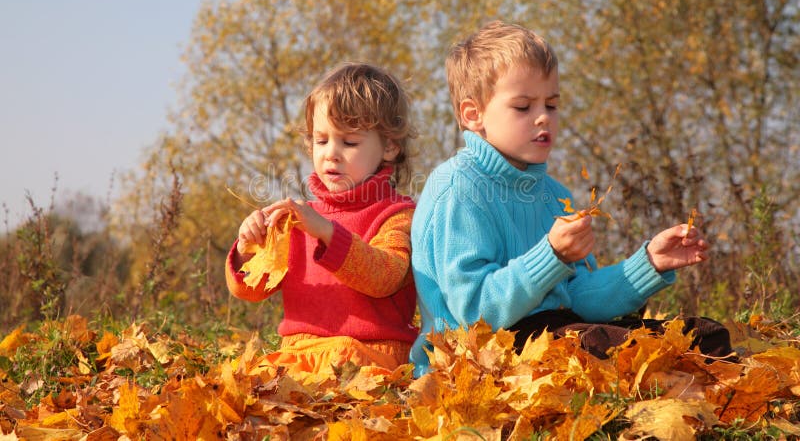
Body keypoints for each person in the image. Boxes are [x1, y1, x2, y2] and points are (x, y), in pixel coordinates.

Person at [409, 21, 732, 376]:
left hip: (556, 332)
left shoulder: (553, 195)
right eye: (523, 107)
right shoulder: (458, 188)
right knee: (596, 344)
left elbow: (578, 297)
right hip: (477, 358)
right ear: (474, 115)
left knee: (704, 337)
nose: (543, 117)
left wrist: (649, 264)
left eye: (552, 104)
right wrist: (551, 255)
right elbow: (474, 313)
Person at [225, 62, 418, 377]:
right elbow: (251, 289)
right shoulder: (298, 217)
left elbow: (385, 276)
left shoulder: (396, 214)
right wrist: (248, 248)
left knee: (344, 371)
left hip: (369, 356)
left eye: (350, 142)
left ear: (389, 146)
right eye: (321, 140)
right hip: (300, 354)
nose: (331, 153)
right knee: (247, 382)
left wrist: (327, 233)